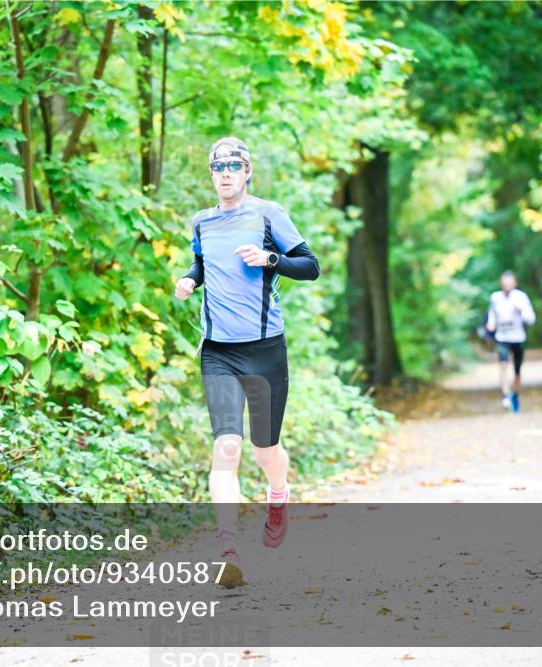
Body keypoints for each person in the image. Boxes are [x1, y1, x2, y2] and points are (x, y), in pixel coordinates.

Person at [173, 137, 320, 588]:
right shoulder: (201, 223)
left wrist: (271, 259)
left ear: (248, 170)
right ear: (211, 172)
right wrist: (188, 279)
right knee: (227, 448)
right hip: (218, 350)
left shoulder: (268, 214)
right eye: (218, 165)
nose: (225, 172)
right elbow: (202, 264)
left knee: (264, 450)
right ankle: (229, 551)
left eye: (234, 165)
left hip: (264, 349)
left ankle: (278, 495)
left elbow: (310, 266)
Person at [485, 271, 536, 413]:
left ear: (515, 283)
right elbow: (492, 314)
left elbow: (531, 319)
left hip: (518, 338)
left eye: (509, 283)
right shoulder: (495, 298)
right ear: (501, 284)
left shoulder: (521, 298)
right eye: (504, 283)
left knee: (517, 371)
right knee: (503, 365)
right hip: (502, 338)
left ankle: (515, 396)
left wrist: (520, 311)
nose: (507, 285)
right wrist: (491, 324)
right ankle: (505, 395)